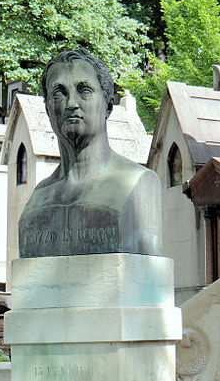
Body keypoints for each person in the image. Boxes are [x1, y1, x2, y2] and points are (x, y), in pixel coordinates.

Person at [18, 48, 161, 258]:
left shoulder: (138, 183)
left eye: (84, 90)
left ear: (109, 106)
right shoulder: (39, 198)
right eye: (59, 93)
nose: (71, 104)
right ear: (47, 109)